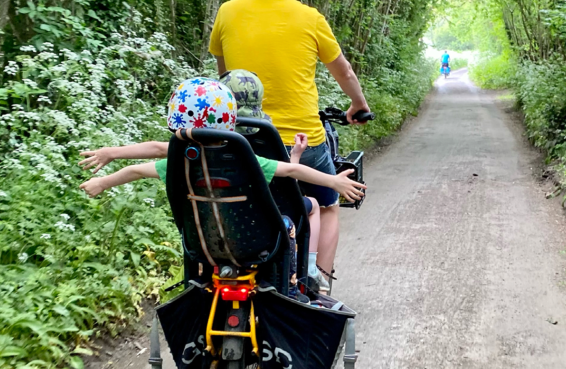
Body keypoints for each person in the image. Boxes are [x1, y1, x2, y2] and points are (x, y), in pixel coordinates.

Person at [79, 78, 365, 296]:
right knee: (307, 211)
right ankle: (302, 278)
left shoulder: (180, 163)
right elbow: (290, 170)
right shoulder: (246, 158)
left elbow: (139, 165)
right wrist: (333, 181)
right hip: (258, 239)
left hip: (204, 243)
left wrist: (103, 179)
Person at [208, 0, 372, 289]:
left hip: (242, 141)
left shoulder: (227, 12)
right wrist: (357, 105)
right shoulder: (309, 18)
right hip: (302, 140)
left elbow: (226, 80)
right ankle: (316, 283)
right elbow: (342, 70)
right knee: (328, 203)